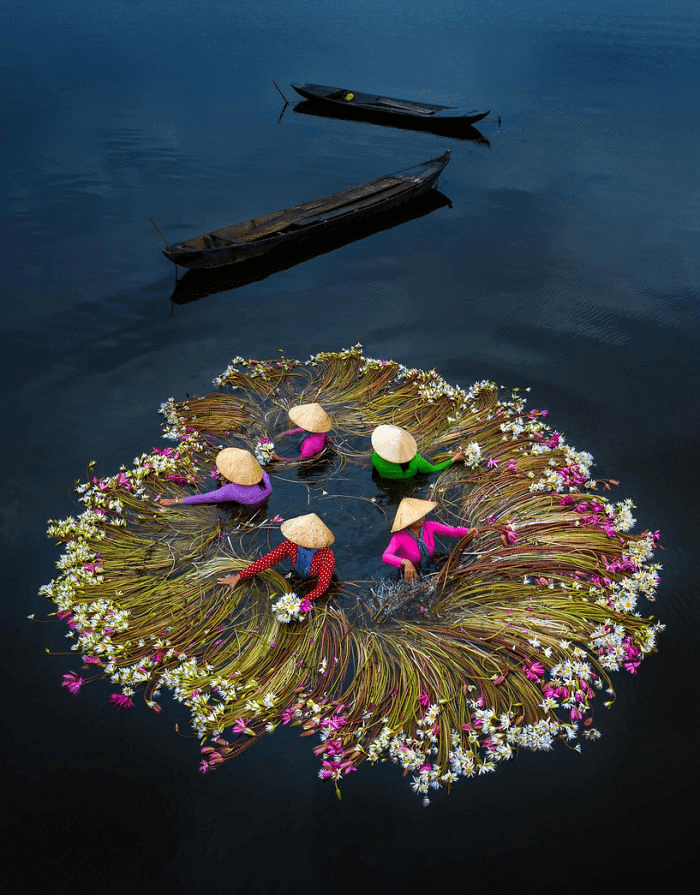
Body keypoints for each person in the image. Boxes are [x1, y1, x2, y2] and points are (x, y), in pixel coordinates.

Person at [218, 513, 336, 602]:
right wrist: (240, 576)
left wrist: (303, 601)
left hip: (313, 579)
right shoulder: (291, 544)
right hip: (299, 574)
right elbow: (268, 560)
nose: (301, 543)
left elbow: (322, 586)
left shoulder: (327, 556)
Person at [382, 497, 471, 582]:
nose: (422, 518)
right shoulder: (399, 537)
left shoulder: (430, 526)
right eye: (417, 517)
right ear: (408, 520)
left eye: (422, 514)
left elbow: (453, 531)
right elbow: (386, 556)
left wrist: (467, 532)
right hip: (413, 571)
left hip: (432, 562)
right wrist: (405, 562)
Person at [160, 448, 271, 508]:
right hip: (264, 500)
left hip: (247, 507)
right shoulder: (262, 473)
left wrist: (177, 501)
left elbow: (206, 497)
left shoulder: (231, 490)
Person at [370, 425, 465, 480]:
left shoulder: (375, 457)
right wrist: (454, 459)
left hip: (385, 480)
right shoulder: (417, 461)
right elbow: (434, 469)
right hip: (408, 480)